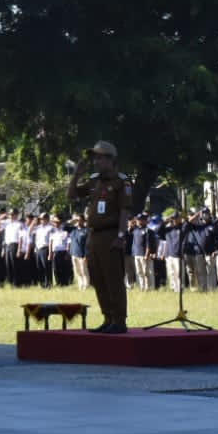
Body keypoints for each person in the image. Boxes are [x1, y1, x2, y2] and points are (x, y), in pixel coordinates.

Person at [69, 141, 131, 332]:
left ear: (111, 160)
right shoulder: (94, 181)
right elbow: (72, 196)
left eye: (100, 158)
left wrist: (121, 236)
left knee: (113, 279)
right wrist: (76, 175)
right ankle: (108, 318)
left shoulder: (122, 182)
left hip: (111, 234)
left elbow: (124, 211)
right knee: (98, 279)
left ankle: (119, 321)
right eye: (95, 157)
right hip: (94, 236)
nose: (96, 161)